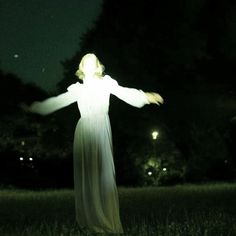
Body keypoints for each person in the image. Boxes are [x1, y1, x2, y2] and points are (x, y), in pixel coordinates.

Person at [25, 53, 164, 234]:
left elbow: (124, 92)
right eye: (85, 61)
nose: (89, 62)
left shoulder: (106, 83)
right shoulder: (77, 89)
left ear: (98, 66)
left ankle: (107, 221)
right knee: (87, 174)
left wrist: (145, 97)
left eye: (93, 60)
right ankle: (90, 221)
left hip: (100, 127)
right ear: (81, 67)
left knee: (104, 173)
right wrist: (36, 107)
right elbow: (58, 101)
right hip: (84, 129)